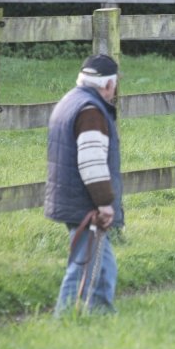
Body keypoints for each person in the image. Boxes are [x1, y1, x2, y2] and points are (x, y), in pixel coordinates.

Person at [44, 53, 123, 315]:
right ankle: (64, 318)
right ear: (108, 85)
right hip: (85, 201)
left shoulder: (70, 100)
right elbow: (91, 162)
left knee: (104, 266)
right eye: (115, 85)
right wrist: (104, 203)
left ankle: (101, 316)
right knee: (83, 265)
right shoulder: (91, 112)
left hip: (70, 196)